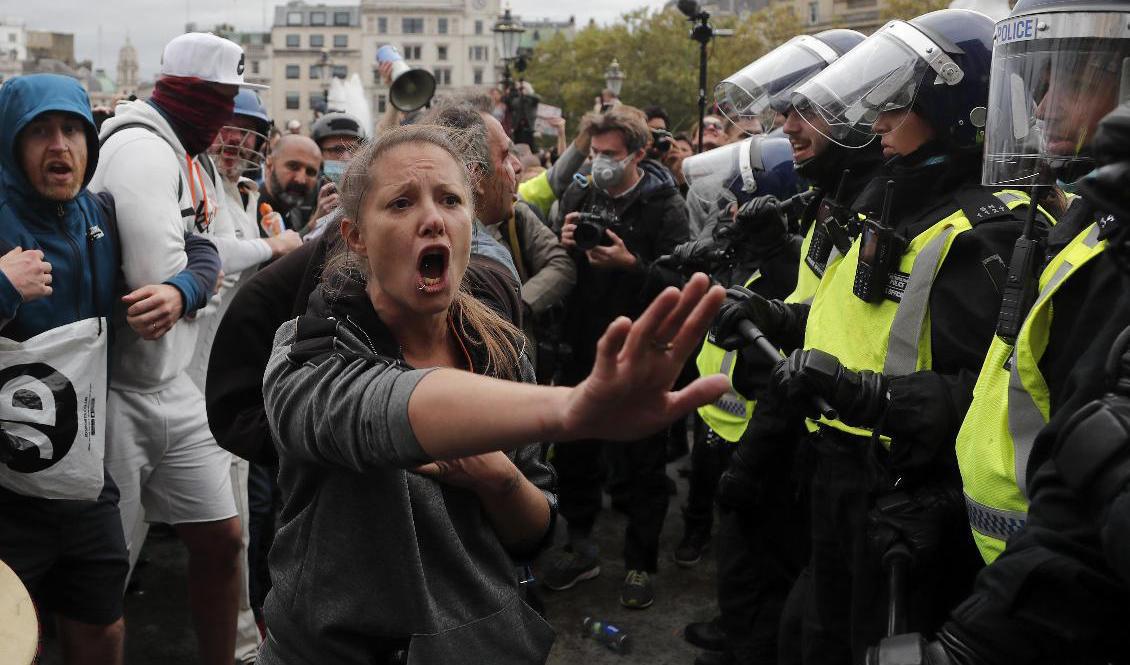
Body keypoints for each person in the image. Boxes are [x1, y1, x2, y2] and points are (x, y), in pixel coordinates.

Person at [255, 123, 727, 664]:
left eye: (451, 200)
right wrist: (571, 410)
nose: (432, 218)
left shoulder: (502, 351)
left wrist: (498, 479)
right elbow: (369, 409)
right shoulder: (306, 350)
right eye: (401, 203)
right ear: (355, 236)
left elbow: (533, 534)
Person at [713, 10, 1045, 663]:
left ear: (956, 108)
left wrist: (876, 399)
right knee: (808, 636)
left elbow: (988, 393)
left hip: (905, 494)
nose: (880, 118)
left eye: (901, 100)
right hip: (836, 468)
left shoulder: (986, 230)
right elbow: (851, 324)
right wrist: (775, 316)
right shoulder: (887, 201)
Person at [862, 2, 1130, 663]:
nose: (1039, 107)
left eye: (1067, 80)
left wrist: (970, 643)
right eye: (1032, 83)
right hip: (1002, 557)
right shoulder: (1083, 228)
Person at [0, 73, 220, 665]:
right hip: (7, 491)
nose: (59, 146)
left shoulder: (100, 213)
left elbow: (202, 248)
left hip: (83, 480)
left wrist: (180, 291)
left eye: (72, 129)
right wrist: (2, 287)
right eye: (39, 131)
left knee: (101, 629)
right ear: (10, 141)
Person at [681, 28, 883, 665]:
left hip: (871, 472)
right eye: (784, 110)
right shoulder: (836, 207)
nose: (785, 126)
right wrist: (767, 305)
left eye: (807, 109)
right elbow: (823, 319)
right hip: (823, 457)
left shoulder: (885, 212)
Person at [90, 31, 262, 664]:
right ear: (201, 97)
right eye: (224, 102)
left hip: (170, 388)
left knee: (223, 540)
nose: (227, 120)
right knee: (106, 573)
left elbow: (199, 258)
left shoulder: (179, 153)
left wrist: (199, 265)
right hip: (118, 394)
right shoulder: (142, 152)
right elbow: (156, 281)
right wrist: (202, 266)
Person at [544, 104, 690, 609]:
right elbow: (559, 268)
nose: (599, 162)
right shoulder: (580, 192)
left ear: (638, 153)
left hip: (642, 348)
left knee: (645, 461)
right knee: (577, 448)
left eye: (610, 154)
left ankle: (639, 563)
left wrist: (633, 265)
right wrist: (564, 243)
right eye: (594, 152)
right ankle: (580, 543)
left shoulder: (664, 206)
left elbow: (682, 282)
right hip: (584, 343)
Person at [194, 88, 301, 664]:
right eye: (229, 126)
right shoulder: (190, 178)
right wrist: (273, 244)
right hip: (172, 381)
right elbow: (204, 251)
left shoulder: (247, 195)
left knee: (231, 533)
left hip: (223, 383)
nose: (237, 140)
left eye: (249, 131)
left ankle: (238, 647)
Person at [423, 95, 576, 380]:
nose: (517, 166)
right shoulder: (486, 259)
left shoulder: (516, 217)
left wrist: (522, 302)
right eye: (506, 155)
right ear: (476, 176)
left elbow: (561, 265)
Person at [308, 111, 366, 231]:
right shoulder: (305, 191)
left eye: (353, 149)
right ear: (318, 154)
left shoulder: (373, 189)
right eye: (337, 150)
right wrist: (315, 222)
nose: (346, 157)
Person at [258, 134, 321, 234]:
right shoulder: (247, 212)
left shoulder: (295, 211)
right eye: (293, 166)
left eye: (310, 172)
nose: (301, 180)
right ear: (269, 166)